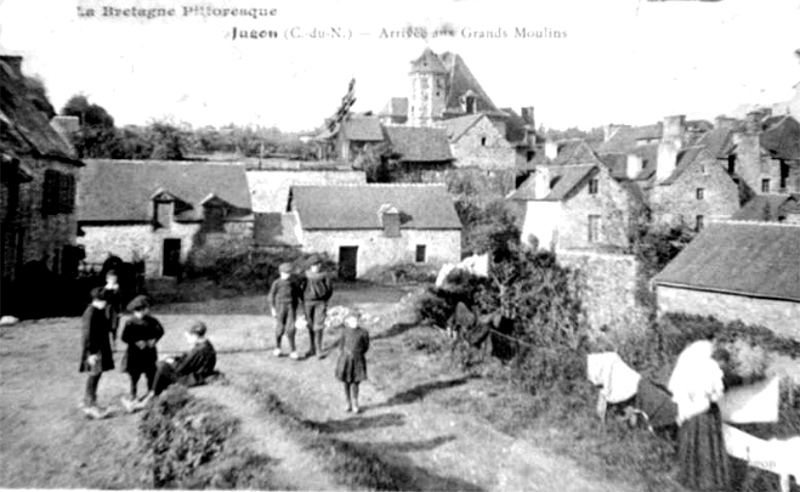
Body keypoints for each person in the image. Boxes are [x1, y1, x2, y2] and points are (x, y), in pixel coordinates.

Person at [668, 339, 731, 491]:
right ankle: (708, 483)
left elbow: (688, 396)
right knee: (707, 448)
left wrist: (684, 415)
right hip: (706, 415)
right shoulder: (710, 370)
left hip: (697, 415)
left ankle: (690, 480)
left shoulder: (693, 369)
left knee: (693, 445)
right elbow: (713, 396)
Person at [128, 321, 217, 411]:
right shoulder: (205, 345)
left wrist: (170, 362)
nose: (187, 340)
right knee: (162, 367)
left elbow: (180, 369)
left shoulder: (198, 350)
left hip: (193, 378)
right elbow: (187, 360)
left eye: (188, 337)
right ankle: (148, 397)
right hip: (195, 374)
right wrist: (173, 359)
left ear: (195, 336)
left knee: (161, 366)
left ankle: (149, 398)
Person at [120, 295, 164, 407]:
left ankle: (151, 394)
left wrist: (154, 340)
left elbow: (160, 331)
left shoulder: (152, 321)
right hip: (135, 354)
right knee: (134, 376)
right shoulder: (130, 323)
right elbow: (125, 337)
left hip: (149, 353)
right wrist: (136, 341)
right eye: (145, 309)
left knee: (151, 374)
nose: (147, 311)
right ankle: (133, 395)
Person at [78, 288, 115, 419]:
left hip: (99, 348)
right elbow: (87, 335)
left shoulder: (98, 311)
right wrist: (90, 353)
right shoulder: (91, 313)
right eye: (104, 301)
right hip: (94, 350)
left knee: (96, 375)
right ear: (97, 300)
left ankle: (90, 401)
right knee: (94, 375)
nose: (106, 304)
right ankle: (90, 405)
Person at [335, 310, 370, 413]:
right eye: (352, 320)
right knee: (346, 381)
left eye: (356, 320)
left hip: (358, 359)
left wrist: (358, 354)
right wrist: (346, 355)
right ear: (348, 321)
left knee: (355, 382)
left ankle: (355, 402)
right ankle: (348, 402)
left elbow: (366, 346)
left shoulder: (363, 332)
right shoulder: (345, 331)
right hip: (346, 359)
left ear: (359, 321)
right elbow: (341, 345)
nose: (354, 322)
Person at [301, 255, 333, 358]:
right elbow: (299, 288)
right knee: (310, 325)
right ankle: (312, 348)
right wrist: (304, 298)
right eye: (314, 265)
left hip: (320, 303)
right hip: (308, 303)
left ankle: (319, 349)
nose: (317, 267)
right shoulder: (305, 276)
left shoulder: (325, 275)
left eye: (319, 264)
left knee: (319, 325)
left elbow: (329, 289)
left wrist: (324, 299)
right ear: (310, 266)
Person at [268, 262, 302, 359]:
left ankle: (293, 350)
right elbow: (271, 296)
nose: (287, 275)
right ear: (280, 273)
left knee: (291, 329)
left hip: (291, 307)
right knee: (280, 328)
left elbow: (298, 294)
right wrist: (272, 308)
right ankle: (278, 347)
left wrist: (301, 304)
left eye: (289, 273)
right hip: (280, 307)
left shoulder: (293, 283)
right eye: (285, 273)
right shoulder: (277, 283)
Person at [101, 269, 122, 350]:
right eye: (111, 278)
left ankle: (114, 344)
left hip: (115, 310)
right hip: (106, 309)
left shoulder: (118, 288)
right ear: (107, 279)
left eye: (114, 278)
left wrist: (120, 311)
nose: (113, 280)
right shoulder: (105, 288)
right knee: (105, 327)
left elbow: (120, 300)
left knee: (114, 327)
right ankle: (107, 344)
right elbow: (102, 297)